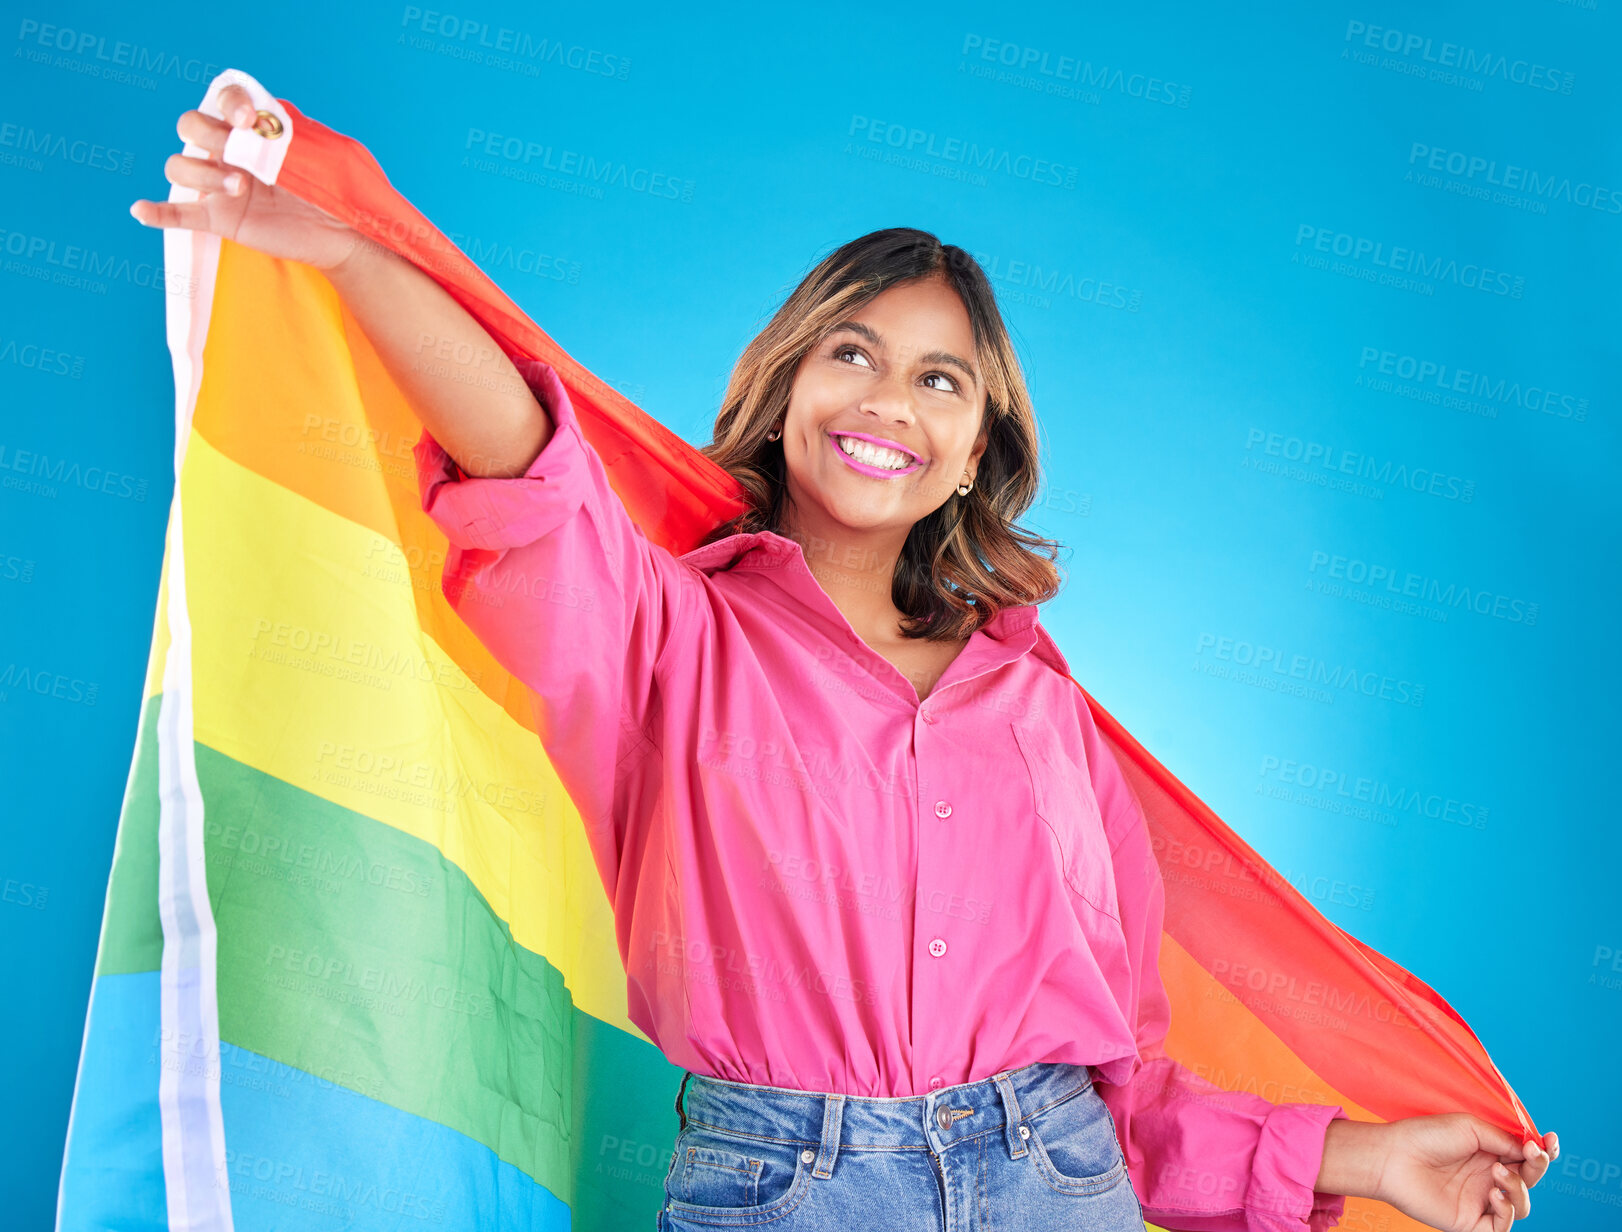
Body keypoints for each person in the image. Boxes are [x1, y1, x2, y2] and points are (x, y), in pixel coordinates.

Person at [131, 83, 1558, 1232]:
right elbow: (522, 456)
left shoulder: (1040, 714)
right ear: (787, 384)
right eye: (853, 356)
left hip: (1055, 1185)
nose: (890, 401)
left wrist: (1373, 1159)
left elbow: (1127, 1090)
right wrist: (350, 252)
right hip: (776, 1189)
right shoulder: (670, 636)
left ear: (973, 455)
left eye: (942, 380)